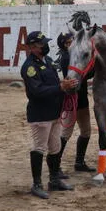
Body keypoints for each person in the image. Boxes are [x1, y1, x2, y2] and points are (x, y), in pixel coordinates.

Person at [21, 30, 78, 199]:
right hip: (40, 114)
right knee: (39, 147)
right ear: (32, 47)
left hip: (54, 111)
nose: (45, 46)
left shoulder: (48, 60)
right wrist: (60, 88)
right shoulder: (29, 67)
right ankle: (36, 184)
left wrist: (65, 85)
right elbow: (37, 91)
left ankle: (54, 179)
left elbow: (54, 82)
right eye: (41, 44)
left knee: (55, 147)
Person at [55, 32, 96, 178]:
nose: (71, 44)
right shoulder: (67, 58)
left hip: (81, 99)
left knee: (86, 131)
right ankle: (55, 165)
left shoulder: (75, 56)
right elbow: (79, 76)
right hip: (72, 99)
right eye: (67, 43)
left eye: (72, 41)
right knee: (66, 133)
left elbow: (84, 75)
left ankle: (79, 162)